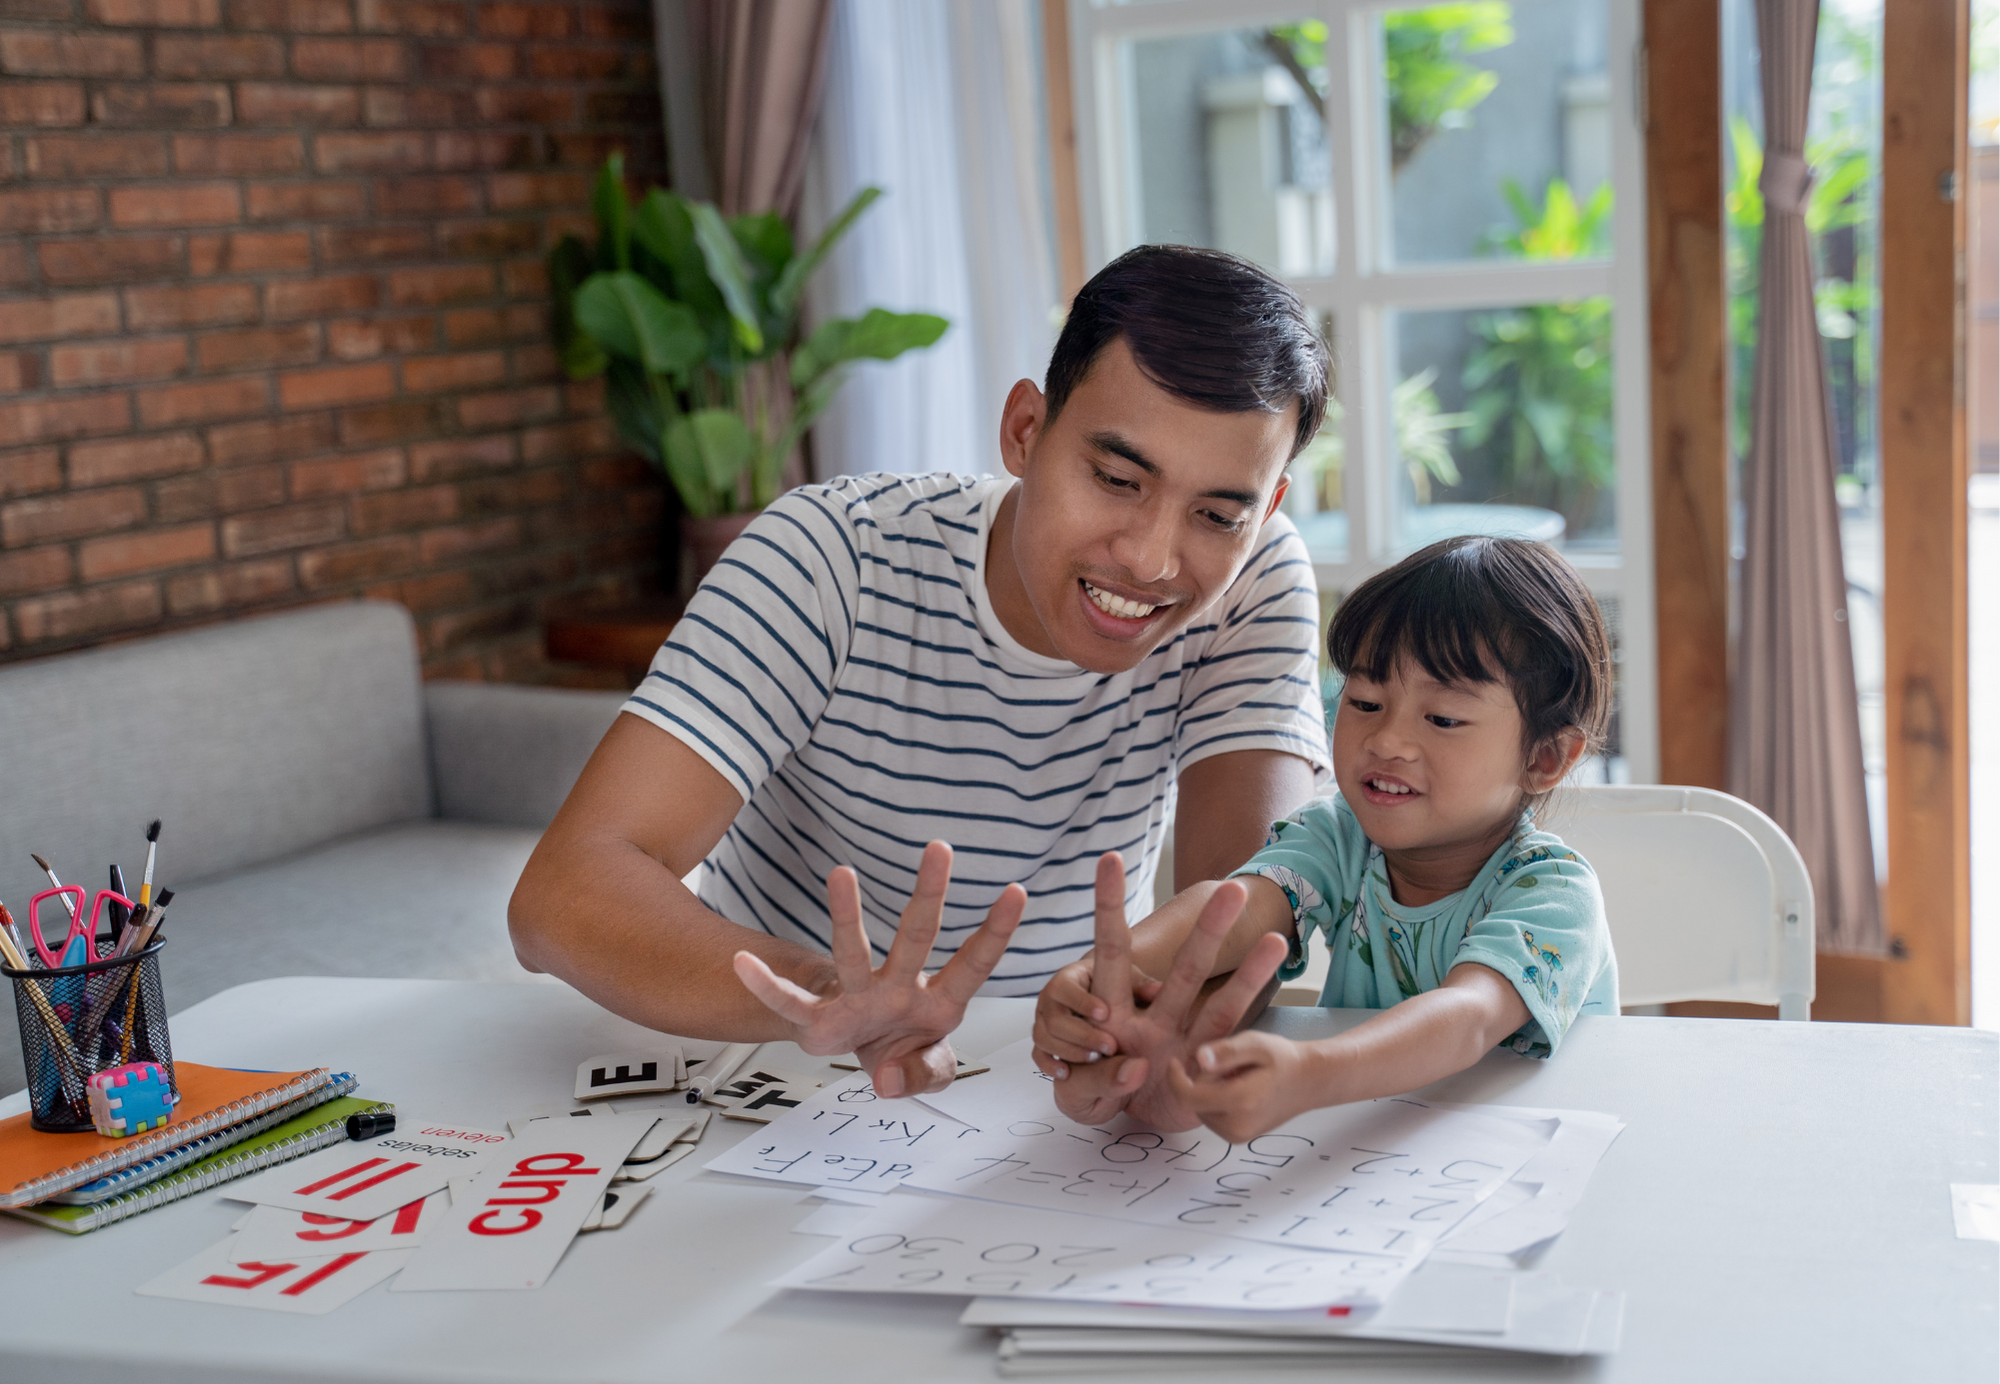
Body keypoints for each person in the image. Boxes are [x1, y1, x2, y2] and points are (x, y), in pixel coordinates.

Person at [509, 246, 1335, 1101]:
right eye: (1118, 478)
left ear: (1266, 509)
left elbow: (1243, 905)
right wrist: (837, 997)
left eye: (1215, 514)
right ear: (1025, 431)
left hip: (1050, 1089)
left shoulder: (1256, 579)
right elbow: (562, 894)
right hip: (781, 1067)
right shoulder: (833, 557)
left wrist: (1149, 1023)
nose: (1152, 561)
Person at [1030, 534, 1620, 1141]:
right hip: (1383, 1145)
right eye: (1364, 701)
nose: (1386, 740)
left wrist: (1310, 1074)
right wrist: (1105, 978)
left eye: (1442, 718)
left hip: (1526, 1148)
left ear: (1546, 757)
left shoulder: (1553, 892)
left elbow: (1467, 1019)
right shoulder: (1342, 836)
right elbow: (1237, 907)